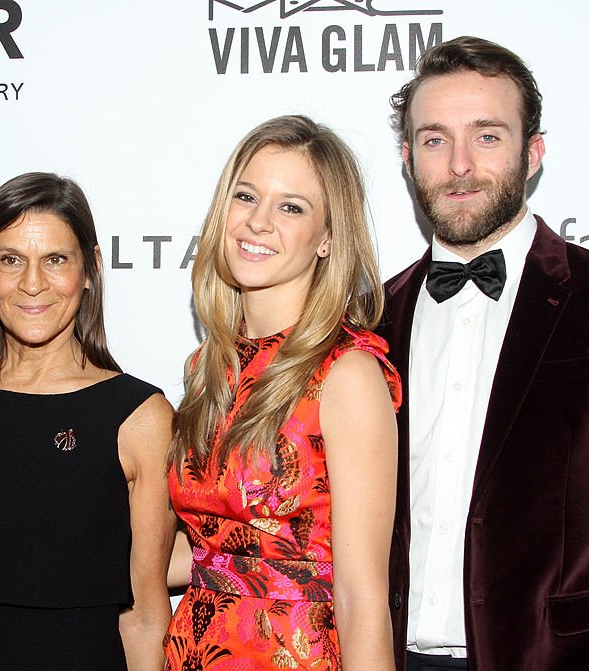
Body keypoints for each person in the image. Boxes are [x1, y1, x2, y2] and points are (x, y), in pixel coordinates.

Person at [381, 35, 589, 671]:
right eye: (433, 139)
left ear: (532, 154)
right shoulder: (370, 319)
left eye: (486, 136)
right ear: (406, 156)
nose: (458, 165)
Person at [0, 172, 176, 670]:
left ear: (89, 270)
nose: (31, 283)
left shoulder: (139, 418)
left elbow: (145, 614)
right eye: (10, 260)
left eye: (55, 260)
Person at [165, 115, 401, 671]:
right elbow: (209, 548)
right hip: (193, 649)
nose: (258, 222)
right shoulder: (208, 367)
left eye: (291, 207)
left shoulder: (347, 374)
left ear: (327, 239)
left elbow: (362, 595)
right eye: (246, 196)